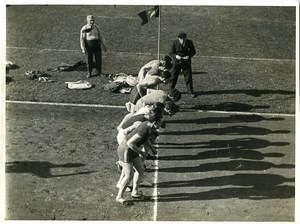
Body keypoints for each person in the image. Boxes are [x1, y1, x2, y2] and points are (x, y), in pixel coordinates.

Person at [115, 114, 162, 205]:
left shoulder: (148, 125)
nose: (161, 125)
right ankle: (119, 197)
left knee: (140, 170)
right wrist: (142, 152)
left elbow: (144, 139)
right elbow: (130, 143)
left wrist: (152, 148)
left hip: (132, 150)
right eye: (160, 122)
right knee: (129, 175)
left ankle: (135, 193)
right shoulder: (144, 129)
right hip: (126, 150)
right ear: (155, 123)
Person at [169, 32, 197, 98]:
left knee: (188, 77)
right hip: (176, 63)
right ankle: (171, 90)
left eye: (184, 39)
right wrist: (176, 56)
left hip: (186, 62)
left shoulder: (189, 42)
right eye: (181, 39)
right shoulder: (175, 42)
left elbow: (193, 52)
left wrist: (189, 56)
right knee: (174, 76)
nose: (182, 40)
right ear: (178, 39)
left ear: (186, 38)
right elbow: (171, 52)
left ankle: (190, 92)